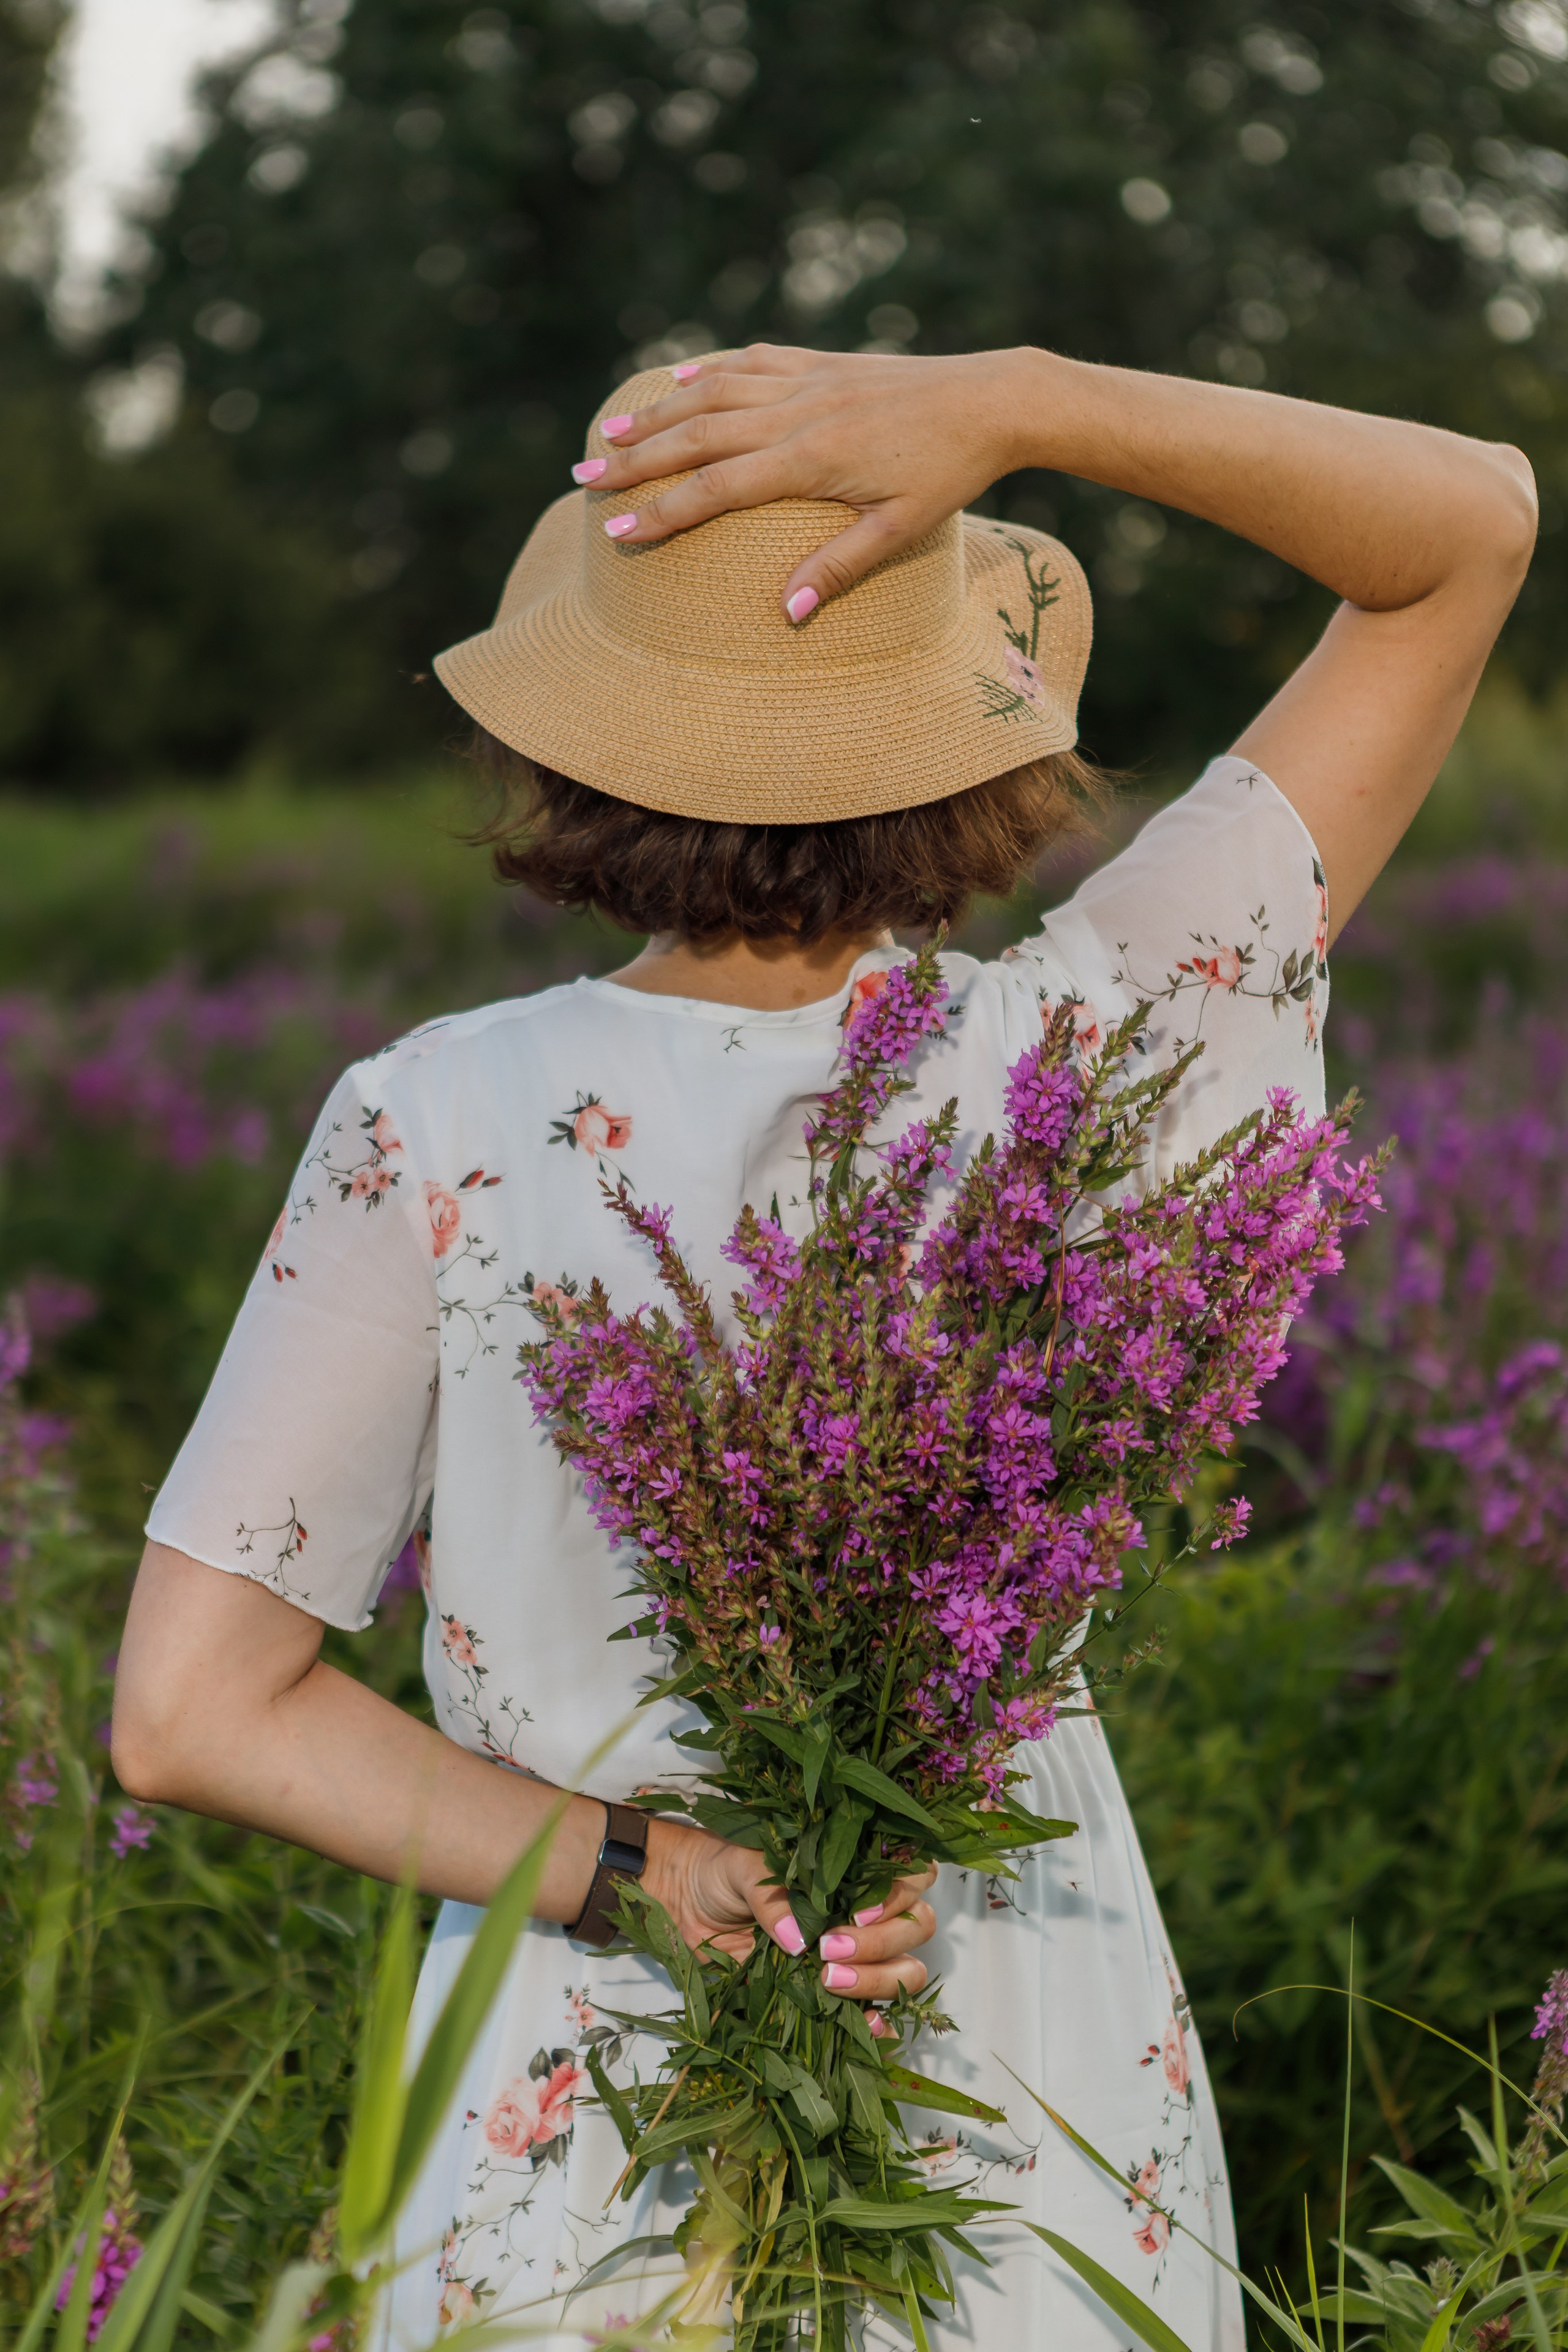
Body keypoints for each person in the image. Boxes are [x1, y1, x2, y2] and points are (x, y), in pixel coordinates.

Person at [112, 341, 1534, 2350]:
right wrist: (1022, 401)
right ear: (971, 739)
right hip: (1014, 2067)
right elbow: (1471, 528)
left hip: (588, 2079)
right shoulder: (1110, 1046)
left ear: (581, 740)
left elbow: (188, 1716)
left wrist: (642, 1871)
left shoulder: (432, 1122)